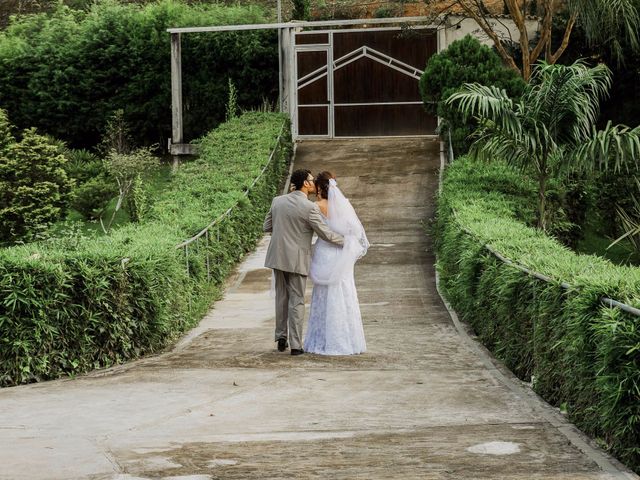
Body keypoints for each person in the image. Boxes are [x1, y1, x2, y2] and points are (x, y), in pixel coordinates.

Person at [263, 169, 344, 356]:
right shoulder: (309, 207)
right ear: (305, 184)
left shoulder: (277, 201)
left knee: (281, 297)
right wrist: (346, 241)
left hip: (277, 256)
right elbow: (326, 233)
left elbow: (266, 226)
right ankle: (296, 345)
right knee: (297, 300)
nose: (312, 182)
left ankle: (281, 337)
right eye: (310, 179)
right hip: (297, 258)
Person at [304, 171, 368, 355]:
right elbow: (355, 230)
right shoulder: (343, 205)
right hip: (342, 253)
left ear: (319, 187)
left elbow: (315, 229)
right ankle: (349, 341)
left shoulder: (315, 206)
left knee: (324, 294)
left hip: (325, 251)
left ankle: (322, 340)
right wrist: (346, 242)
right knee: (344, 291)